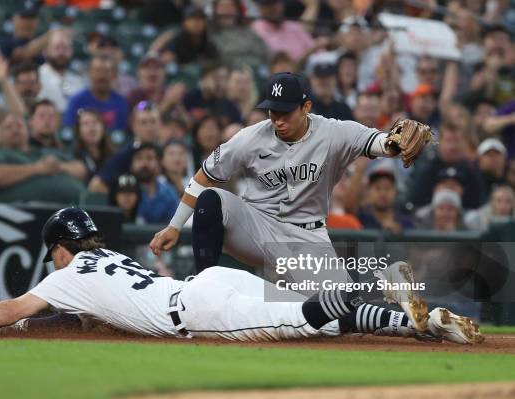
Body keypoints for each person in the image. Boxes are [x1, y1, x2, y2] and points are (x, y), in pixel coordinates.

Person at [0, 207, 482, 346]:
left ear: (58, 247)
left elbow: (6, 311)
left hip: (198, 314)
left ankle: (379, 289)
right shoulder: (108, 259)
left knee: (307, 315)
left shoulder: (64, 275)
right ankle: (425, 324)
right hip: (208, 283)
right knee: (312, 323)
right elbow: (81, 311)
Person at [149, 72, 434, 335]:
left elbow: (379, 142)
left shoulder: (334, 132)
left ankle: (391, 295)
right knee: (212, 200)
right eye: (273, 111)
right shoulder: (251, 137)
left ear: (306, 107)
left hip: (306, 237)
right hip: (256, 226)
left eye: (285, 112)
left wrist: (396, 143)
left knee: (337, 315)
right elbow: (203, 177)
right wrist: (174, 226)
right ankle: (202, 292)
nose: (278, 120)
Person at [0, 114, 85, 203]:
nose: (15, 129)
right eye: (8, 127)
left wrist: (59, 166)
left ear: (28, 131)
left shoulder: (46, 151)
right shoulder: (0, 154)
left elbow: (81, 169)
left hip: (73, 209)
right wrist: (38, 168)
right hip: (23, 213)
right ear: (0, 134)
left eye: (19, 125)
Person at [63, 56, 128, 131]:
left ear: (114, 75)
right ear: (89, 73)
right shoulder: (76, 101)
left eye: (106, 71)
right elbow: (69, 131)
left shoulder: (121, 103)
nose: (102, 76)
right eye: (97, 71)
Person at [37, 29, 86, 112]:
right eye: (57, 48)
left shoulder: (79, 80)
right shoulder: (37, 76)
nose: (61, 53)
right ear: (45, 52)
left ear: (71, 51)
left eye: (65, 48)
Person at [131, 143, 179, 224]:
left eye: (149, 158)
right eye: (139, 158)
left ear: (159, 163)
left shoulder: (169, 193)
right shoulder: (124, 191)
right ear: (131, 165)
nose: (144, 163)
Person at [74, 110, 114, 183]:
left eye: (95, 123)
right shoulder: (72, 156)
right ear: (79, 132)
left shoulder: (114, 156)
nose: (92, 128)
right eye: (86, 124)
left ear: (103, 128)